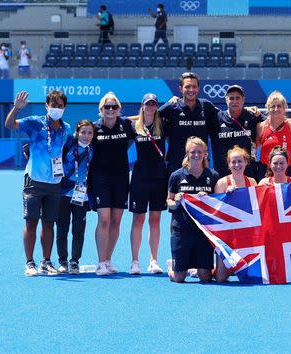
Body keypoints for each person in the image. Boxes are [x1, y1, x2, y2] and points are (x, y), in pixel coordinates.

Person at [6, 90, 70, 276]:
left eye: (60, 106)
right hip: (34, 181)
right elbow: (10, 124)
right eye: (53, 105)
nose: (56, 108)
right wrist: (16, 109)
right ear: (46, 106)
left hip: (54, 184)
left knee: (49, 224)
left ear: (64, 108)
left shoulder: (66, 128)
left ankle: (46, 262)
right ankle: (29, 263)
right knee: (31, 223)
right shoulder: (35, 122)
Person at [90, 92, 135, 276]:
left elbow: (146, 116)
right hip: (100, 179)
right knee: (105, 219)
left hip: (121, 178)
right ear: (101, 109)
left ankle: (108, 260)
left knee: (116, 221)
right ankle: (100, 262)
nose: (110, 110)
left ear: (119, 110)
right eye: (106, 107)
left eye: (113, 107)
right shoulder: (93, 128)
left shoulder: (125, 125)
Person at [167, 137, 220, 283]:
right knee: (179, 278)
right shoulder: (176, 176)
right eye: (193, 152)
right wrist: (176, 201)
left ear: (205, 154)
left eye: (199, 152)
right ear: (187, 154)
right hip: (182, 231)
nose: (196, 155)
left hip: (203, 231)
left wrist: (208, 198)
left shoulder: (213, 176)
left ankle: (206, 267)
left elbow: (218, 203)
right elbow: (169, 201)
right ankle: (172, 267)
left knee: (206, 277)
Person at [129, 93, 167, 275]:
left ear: (156, 106)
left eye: (153, 104)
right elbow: (118, 120)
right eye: (147, 104)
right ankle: (135, 261)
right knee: (138, 219)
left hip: (159, 177)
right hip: (139, 178)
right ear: (142, 106)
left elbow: (171, 110)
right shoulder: (133, 126)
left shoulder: (163, 124)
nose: (151, 107)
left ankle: (154, 260)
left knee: (155, 219)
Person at [159, 72, 219, 176]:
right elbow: (147, 116)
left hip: (201, 164)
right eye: (187, 86)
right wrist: (123, 119)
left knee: (202, 193)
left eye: (194, 86)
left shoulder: (207, 106)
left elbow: (228, 115)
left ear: (198, 88)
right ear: (180, 89)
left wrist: (247, 109)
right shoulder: (171, 107)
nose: (191, 90)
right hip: (176, 165)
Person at [213, 146, 259, 283]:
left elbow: (257, 208)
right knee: (221, 278)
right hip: (226, 234)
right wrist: (226, 197)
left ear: (246, 162)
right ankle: (210, 268)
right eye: (233, 162)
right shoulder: (222, 183)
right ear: (228, 164)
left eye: (240, 161)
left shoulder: (252, 182)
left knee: (250, 276)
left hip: (246, 233)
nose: (237, 165)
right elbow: (214, 212)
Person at [55, 120, 94, 274]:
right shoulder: (68, 145)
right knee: (62, 228)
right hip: (63, 193)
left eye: (90, 132)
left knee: (79, 230)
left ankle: (74, 261)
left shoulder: (94, 148)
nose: (86, 135)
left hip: (81, 195)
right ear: (77, 133)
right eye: (83, 132)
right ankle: (63, 261)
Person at [210, 84, 263, 179]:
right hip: (223, 176)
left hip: (248, 175)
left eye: (238, 98)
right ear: (226, 100)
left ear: (243, 100)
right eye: (231, 98)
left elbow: (273, 123)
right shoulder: (215, 118)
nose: (234, 101)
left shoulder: (252, 116)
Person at [255, 91, 291, 177]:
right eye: (272, 106)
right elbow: (254, 151)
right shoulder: (261, 127)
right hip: (265, 172)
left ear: (284, 108)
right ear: (268, 108)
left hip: (286, 172)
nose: (276, 109)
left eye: (279, 106)